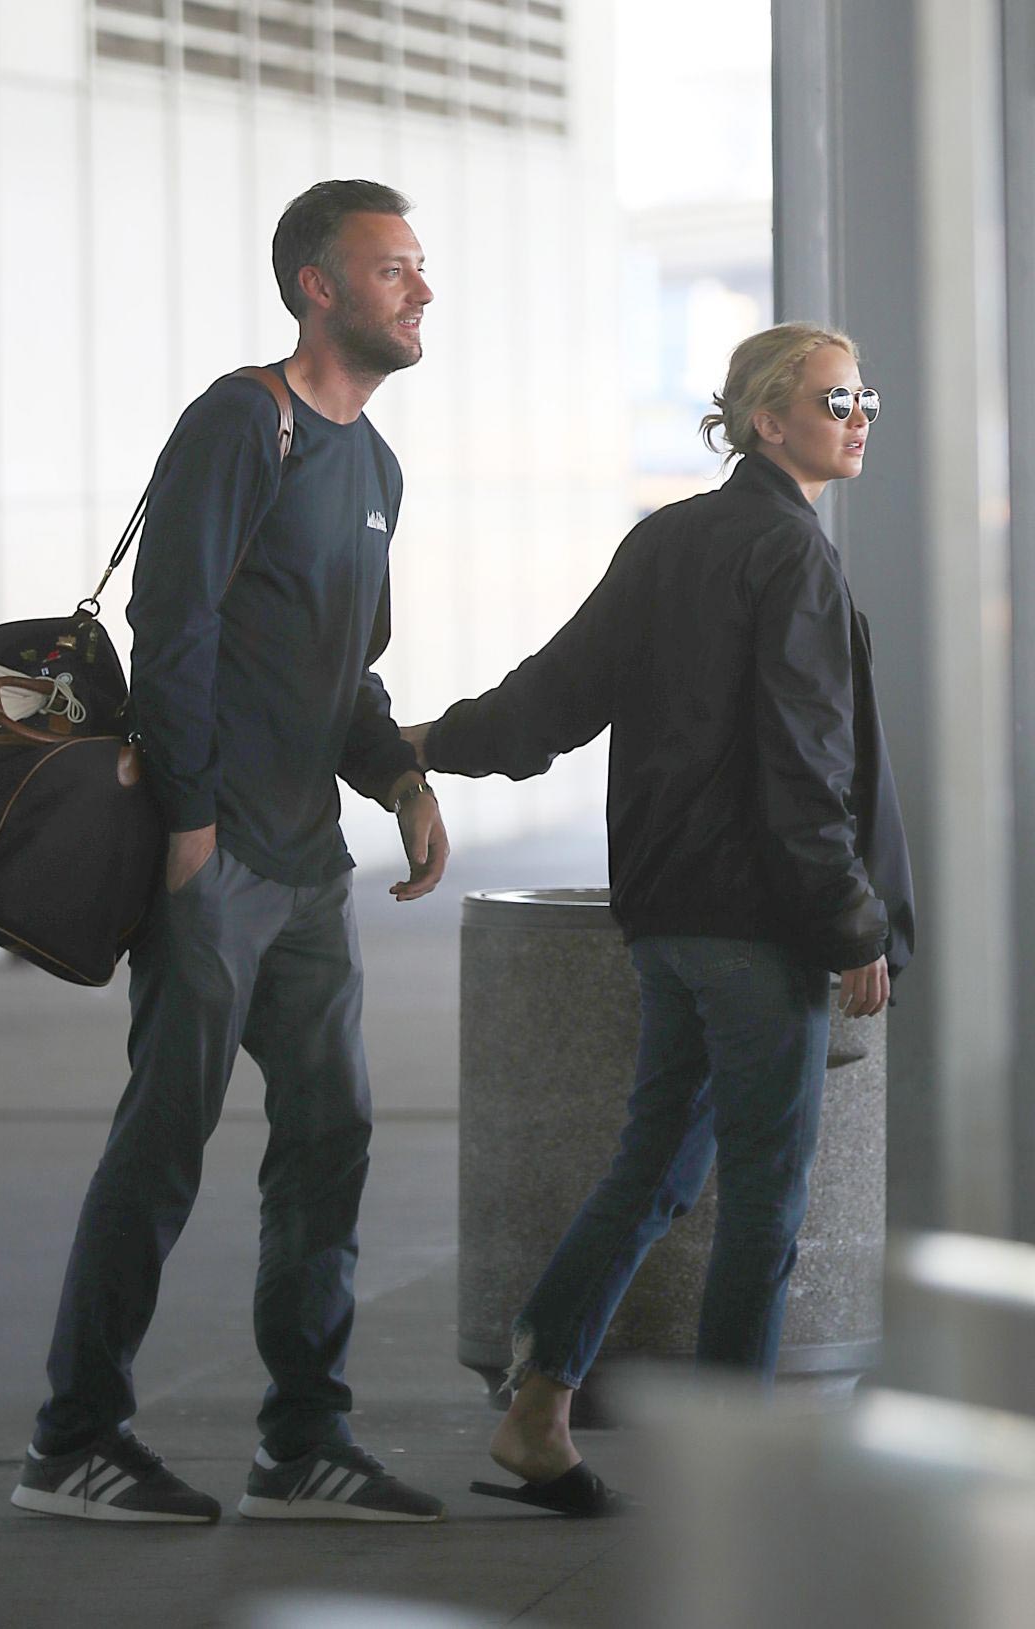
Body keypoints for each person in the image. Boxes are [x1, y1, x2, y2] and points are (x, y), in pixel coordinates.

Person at [403, 322, 914, 1518]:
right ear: (764, 420)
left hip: (673, 919)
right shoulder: (788, 557)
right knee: (766, 1204)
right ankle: (736, 1487)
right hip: (762, 926)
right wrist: (851, 925)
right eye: (835, 397)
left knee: (654, 1172)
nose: (859, 416)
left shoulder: (670, 539)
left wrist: (433, 743)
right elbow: (805, 765)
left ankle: (537, 1411)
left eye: (865, 397)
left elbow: (553, 697)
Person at [11, 180, 450, 1526]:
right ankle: (73, 1441)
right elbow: (174, 625)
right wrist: (190, 827)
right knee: (167, 1140)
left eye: (421, 267)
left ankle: (301, 1441)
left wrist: (399, 780)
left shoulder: (373, 465)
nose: (421, 290)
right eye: (393, 269)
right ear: (318, 286)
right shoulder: (238, 422)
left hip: (310, 867)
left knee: (331, 1137)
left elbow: (343, 673)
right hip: (219, 859)